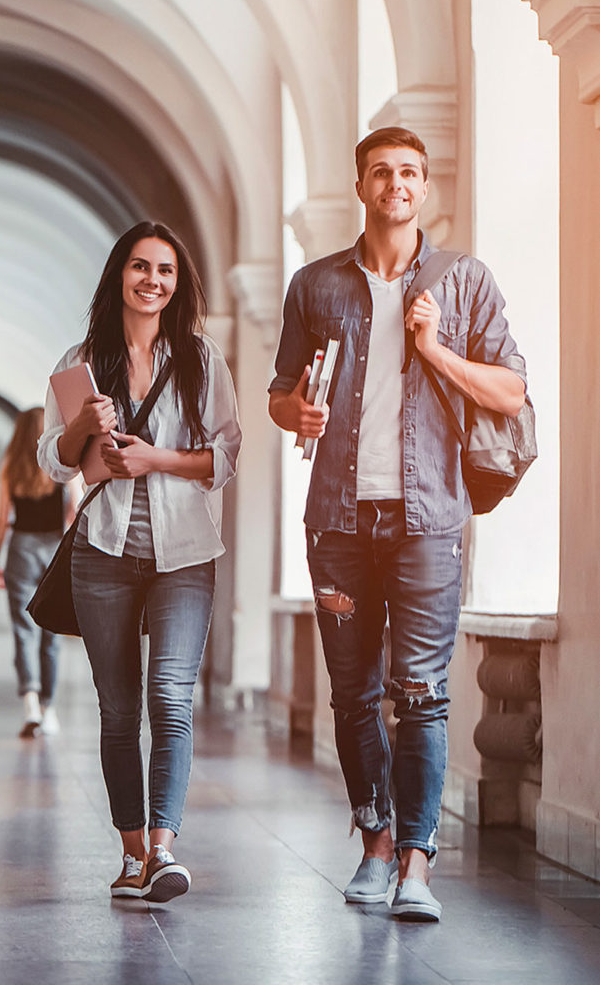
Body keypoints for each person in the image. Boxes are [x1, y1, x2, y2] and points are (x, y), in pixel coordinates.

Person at [268, 126, 527, 922]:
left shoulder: (464, 282)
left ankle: (416, 863)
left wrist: (433, 347)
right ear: (361, 186)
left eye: (409, 172)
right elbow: (279, 393)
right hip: (338, 524)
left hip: (427, 521)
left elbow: (510, 393)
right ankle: (374, 844)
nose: (396, 184)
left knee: (420, 695)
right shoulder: (315, 286)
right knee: (352, 695)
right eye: (381, 172)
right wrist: (295, 410)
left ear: (424, 187)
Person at [38, 220, 241, 903]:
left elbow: (224, 457)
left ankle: (162, 850)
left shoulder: (202, 360)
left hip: (185, 555)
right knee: (119, 708)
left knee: (170, 697)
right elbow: (54, 464)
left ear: (177, 284)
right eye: (139, 267)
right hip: (104, 553)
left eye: (165, 271)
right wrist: (83, 425)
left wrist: (154, 458)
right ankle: (130, 855)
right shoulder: (80, 359)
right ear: (118, 276)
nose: (151, 281)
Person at [0, 407, 79, 738]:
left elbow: (3, 518)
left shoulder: (10, 466)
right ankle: (49, 708)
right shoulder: (59, 465)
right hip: (54, 550)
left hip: (20, 550)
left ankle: (29, 701)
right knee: (50, 633)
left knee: (22, 629)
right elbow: (76, 507)